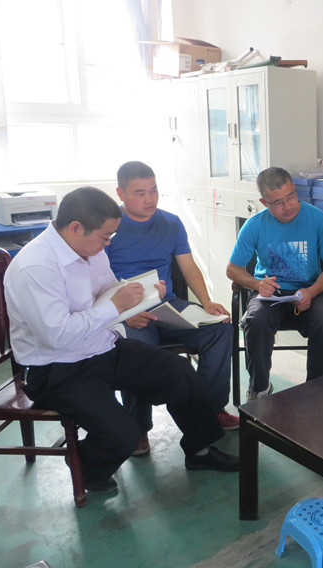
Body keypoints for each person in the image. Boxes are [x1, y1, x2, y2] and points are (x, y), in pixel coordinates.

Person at [4, 187, 238, 494]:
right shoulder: (35, 267)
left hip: (101, 347)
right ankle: (85, 467)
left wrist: (140, 297)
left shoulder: (89, 250)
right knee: (123, 435)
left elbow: (108, 289)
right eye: (105, 237)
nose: (108, 244)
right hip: (56, 369)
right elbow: (56, 335)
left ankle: (200, 451)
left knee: (179, 373)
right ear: (76, 228)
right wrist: (116, 308)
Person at [105, 161, 235, 453]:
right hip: (128, 312)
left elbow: (188, 267)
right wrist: (124, 313)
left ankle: (211, 410)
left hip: (167, 306)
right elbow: (98, 281)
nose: (149, 199)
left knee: (221, 330)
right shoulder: (109, 229)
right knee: (135, 351)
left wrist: (206, 302)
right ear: (120, 194)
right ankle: (138, 428)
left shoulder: (171, 223)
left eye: (153, 191)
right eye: (140, 193)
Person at [226, 166, 323, 400]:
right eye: (278, 202)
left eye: (291, 196)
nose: (288, 206)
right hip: (270, 295)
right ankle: (259, 388)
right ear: (264, 202)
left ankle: (318, 390)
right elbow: (232, 269)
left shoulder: (317, 219)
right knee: (256, 321)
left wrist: (312, 291)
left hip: (309, 292)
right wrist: (257, 284)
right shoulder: (254, 225)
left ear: (295, 190)